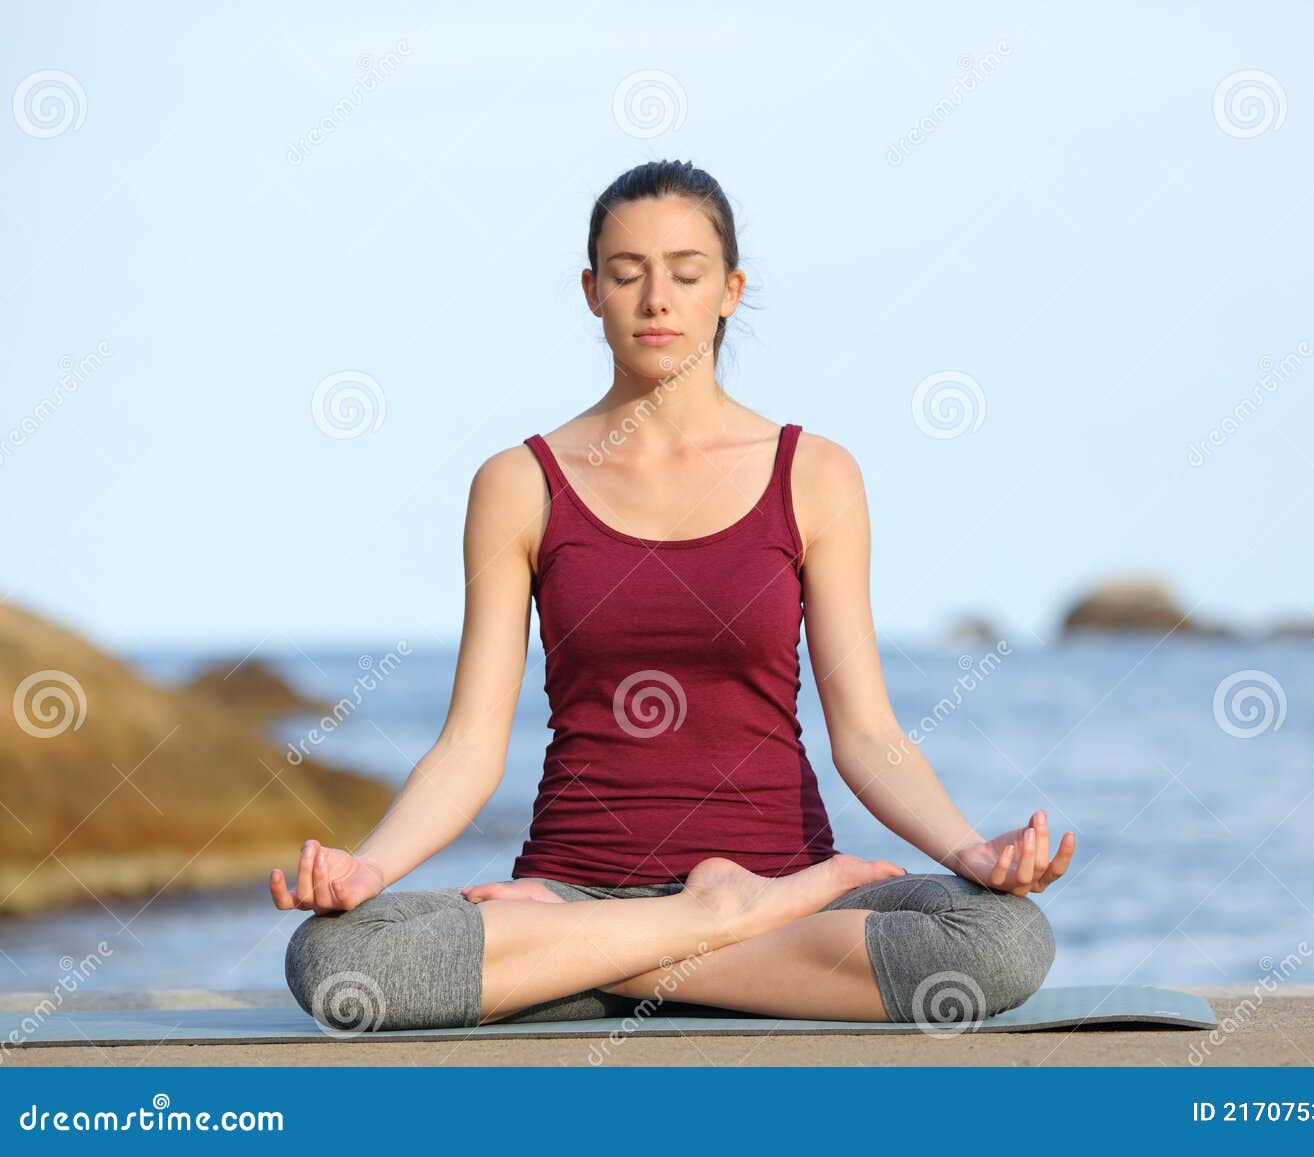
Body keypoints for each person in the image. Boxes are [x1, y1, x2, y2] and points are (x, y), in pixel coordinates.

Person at [275, 159, 1075, 1034]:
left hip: (782, 887)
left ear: (729, 290)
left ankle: (596, 965)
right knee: (335, 958)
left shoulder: (814, 475)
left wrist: (971, 850)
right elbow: (469, 745)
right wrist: (370, 869)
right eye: (627, 274)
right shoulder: (519, 483)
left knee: (1004, 938)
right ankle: (707, 931)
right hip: (577, 890)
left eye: (686, 274)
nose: (657, 299)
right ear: (592, 292)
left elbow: (868, 733)